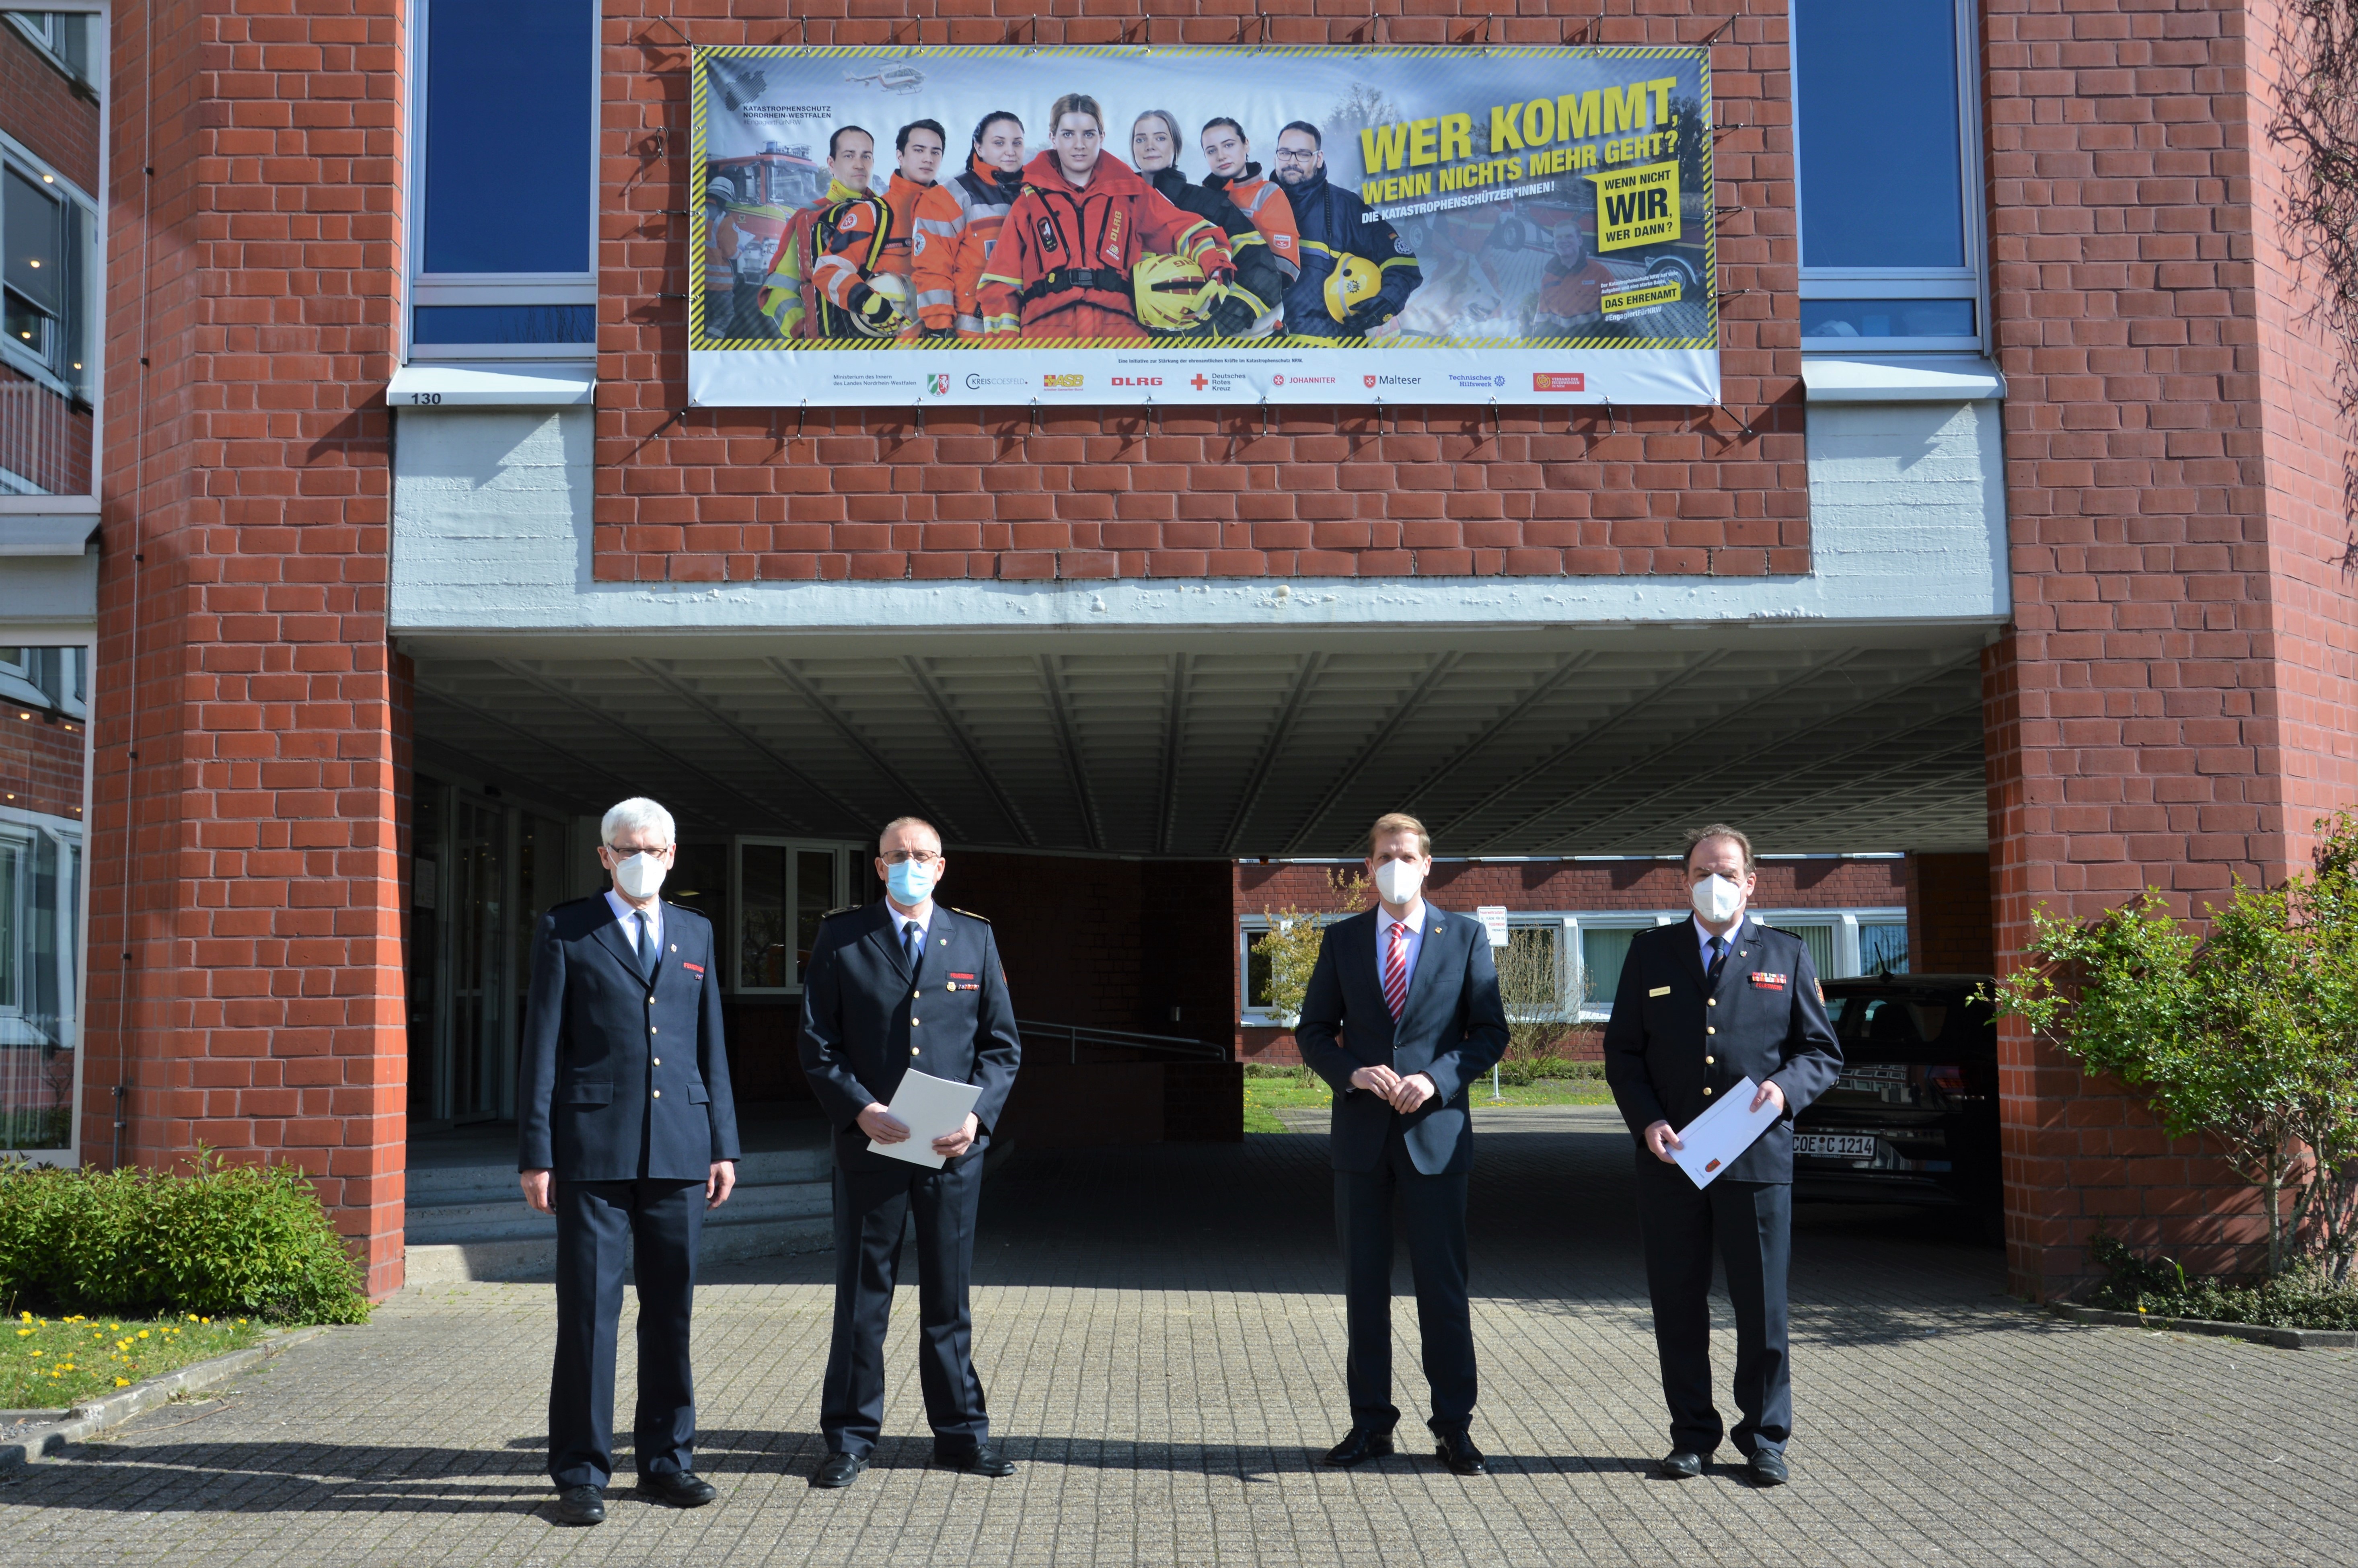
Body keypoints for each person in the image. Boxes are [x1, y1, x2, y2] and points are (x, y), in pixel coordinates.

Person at [517, 797, 741, 1527]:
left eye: (654, 846)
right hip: (593, 1149)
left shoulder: (697, 929)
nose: (641, 856)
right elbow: (542, 1046)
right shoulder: (567, 927)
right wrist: (538, 1152)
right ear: (605, 855)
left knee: (670, 1310)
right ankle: (581, 1470)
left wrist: (722, 1142)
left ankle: (667, 1461)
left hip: (679, 1146)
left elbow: (711, 1044)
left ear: (673, 854)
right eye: (626, 846)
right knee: (588, 1313)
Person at [1602, 824, 1842, 1488]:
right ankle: (1690, 1434)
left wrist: (1783, 1090)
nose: (1716, 879)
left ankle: (1763, 1436)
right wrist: (1646, 1119)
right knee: (1677, 1302)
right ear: (1685, 879)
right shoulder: (1650, 953)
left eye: (1728, 870)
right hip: (1672, 1158)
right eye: (1703, 869)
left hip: (1756, 1158)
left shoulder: (1786, 954)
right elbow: (1621, 1052)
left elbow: (1820, 1052)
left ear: (1750, 880)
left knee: (1761, 1305)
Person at [797, 816, 1024, 1489]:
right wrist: (859, 1106)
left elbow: (1001, 1044)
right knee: (862, 1298)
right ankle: (849, 1437)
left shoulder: (974, 936)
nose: (910, 864)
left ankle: (959, 1434)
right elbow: (817, 1043)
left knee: (947, 1298)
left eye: (922, 854)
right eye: (898, 855)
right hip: (873, 1143)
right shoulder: (842, 936)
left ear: (942, 865)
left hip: (950, 1147)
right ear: (878, 865)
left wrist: (976, 1116)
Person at [1293, 812, 1509, 1477]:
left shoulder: (1464, 936)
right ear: (1368, 868)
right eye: (1383, 855)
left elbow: (1488, 1032)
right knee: (1364, 1287)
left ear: (1426, 864)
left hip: (1434, 1138)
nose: (1394, 863)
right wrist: (1351, 1072)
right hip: (1360, 1139)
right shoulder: (1342, 939)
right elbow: (1312, 1031)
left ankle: (1454, 1428)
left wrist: (1436, 1078)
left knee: (1441, 1288)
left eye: (1405, 854)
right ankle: (1369, 1424)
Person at [978, 92, 1234, 340]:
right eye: (1068, 134)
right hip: (1047, 342)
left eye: (1089, 134)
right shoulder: (1029, 201)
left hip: (1121, 342)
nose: (1079, 145)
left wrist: (1218, 270)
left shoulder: (1131, 194)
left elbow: (1188, 231)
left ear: (1102, 136)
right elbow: (1000, 286)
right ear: (1053, 138)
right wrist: (1006, 355)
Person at [1127, 110, 1285, 338]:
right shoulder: (1117, 206)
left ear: (1176, 146)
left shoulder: (1207, 203)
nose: (1149, 146)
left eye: (1160, 138)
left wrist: (1211, 328)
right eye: (1140, 139)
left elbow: (1262, 272)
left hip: (1206, 349)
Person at [1271, 120, 1421, 339]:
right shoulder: (1255, 205)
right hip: (1266, 356)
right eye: (1285, 153)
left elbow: (1403, 263)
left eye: (1303, 154)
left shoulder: (1345, 207)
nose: (1292, 162)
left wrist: (1387, 300)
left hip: (1330, 356)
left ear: (1319, 159)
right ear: (1276, 156)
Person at [759, 125, 906, 339]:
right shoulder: (808, 218)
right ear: (831, 163)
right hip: (829, 349)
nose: (859, 164)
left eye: (866, 156)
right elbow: (776, 291)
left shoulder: (889, 214)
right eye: (849, 156)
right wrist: (804, 330)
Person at [912, 110, 1026, 339]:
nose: (1010, 151)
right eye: (999, 143)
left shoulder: (1035, 193)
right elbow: (933, 270)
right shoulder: (948, 198)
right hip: (972, 338)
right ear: (979, 147)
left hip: (1028, 335)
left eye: (1017, 143)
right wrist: (939, 328)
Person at [1199, 117, 1302, 327]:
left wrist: (1235, 309)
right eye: (1211, 151)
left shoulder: (1268, 194)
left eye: (1228, 145)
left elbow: (1286, 268)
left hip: (1256, 321)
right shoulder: (1200, 199)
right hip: (1206, 314)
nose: (1221, 156)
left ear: (1246, 144)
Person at [1527, 219, 1616, 336]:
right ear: (1554, 242)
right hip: (1562, 351)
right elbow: (1542, 322)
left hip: (1593, 349)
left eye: (1569, 237)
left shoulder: (1600, 273)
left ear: (1580, 241)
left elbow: (1617, 318)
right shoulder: (1548, 279)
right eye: (1559, 238)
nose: (1563, 241)